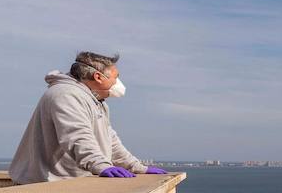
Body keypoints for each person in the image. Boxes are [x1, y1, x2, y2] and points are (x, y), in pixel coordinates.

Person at [9, 51, 167, 184]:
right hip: (48, 184)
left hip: (69, 182)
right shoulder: (66, 95)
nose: (118, 82)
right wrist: (101, 166)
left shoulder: (96, 101)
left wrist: (137, 167)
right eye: (115, 77)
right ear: (98, 77)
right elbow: (76, 136)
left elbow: (109, 140)